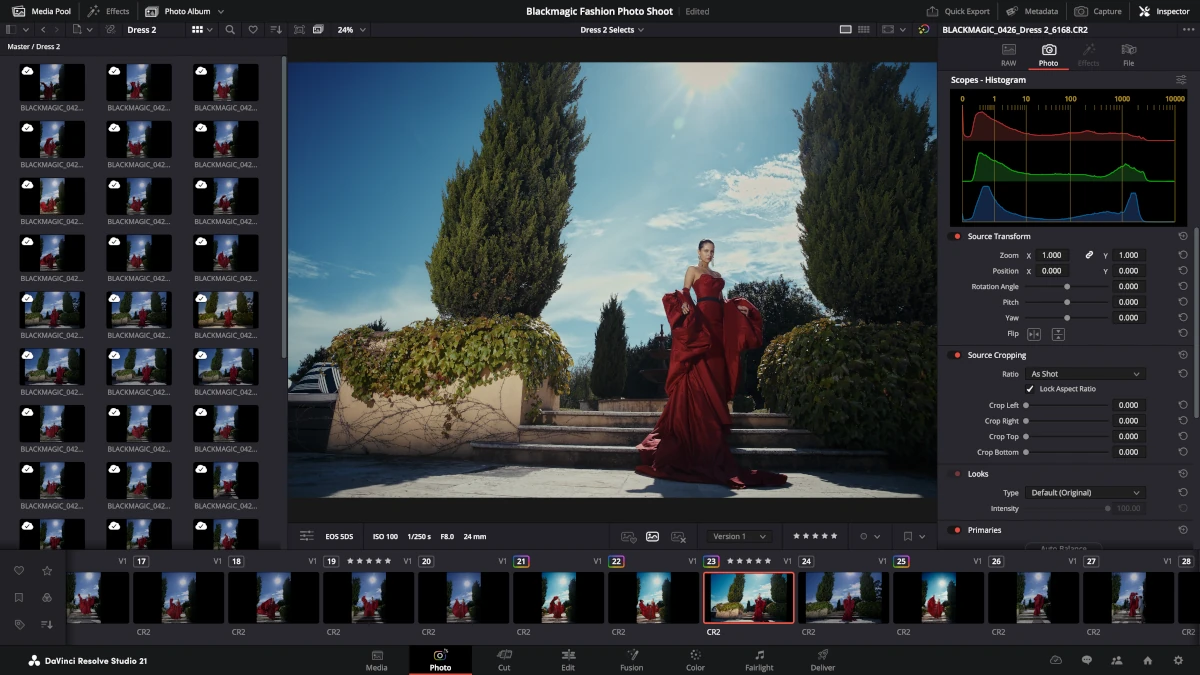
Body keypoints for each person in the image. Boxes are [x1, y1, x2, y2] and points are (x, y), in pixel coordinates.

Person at [634, 239, 788, 489]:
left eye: (712, 251)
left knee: (716, 375)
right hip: (702, 324)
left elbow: (722, 301)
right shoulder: (692, 270)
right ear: (699, 251)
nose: (709, 254)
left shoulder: (717, 275)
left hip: (718, 326)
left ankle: (712, 426)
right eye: (706, 250)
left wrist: (739, 311)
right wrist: (685, 304)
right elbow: (685, 292)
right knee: (697, 373)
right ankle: (700, 429)